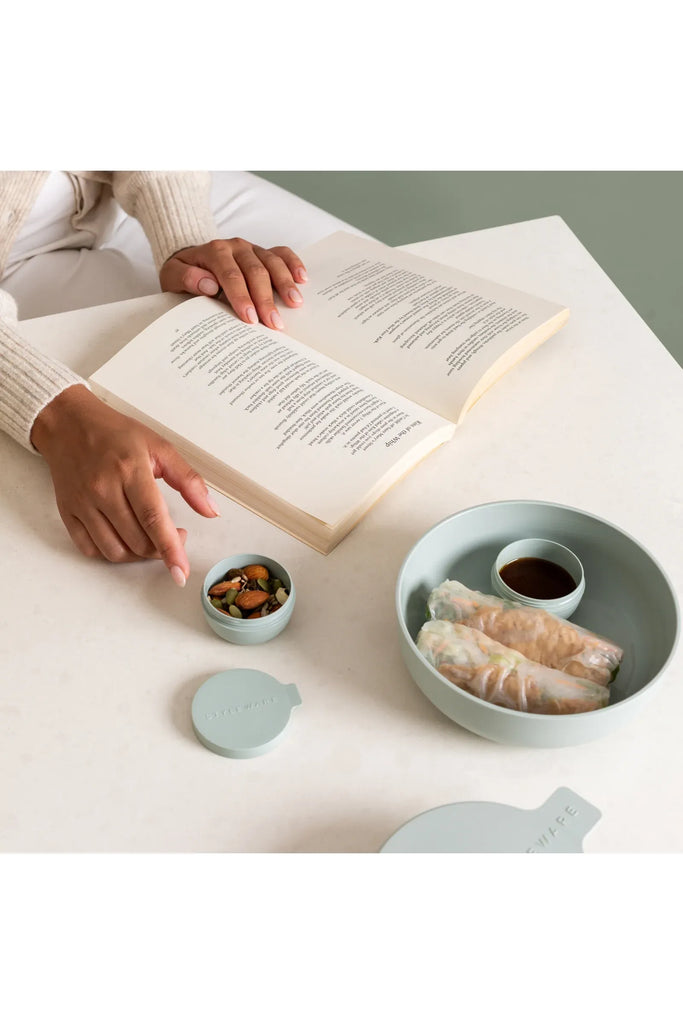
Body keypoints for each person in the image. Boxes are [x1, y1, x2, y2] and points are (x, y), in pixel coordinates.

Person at [0, 171, 365, 586]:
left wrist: (186, 242)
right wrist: (56, 415)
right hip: (23, 257)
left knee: (308, 299)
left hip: (111, 191)